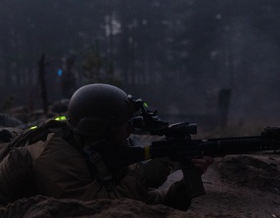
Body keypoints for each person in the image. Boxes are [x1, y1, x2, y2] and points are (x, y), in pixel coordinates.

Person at [0, 83, 213, 210]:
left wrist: (183, 188)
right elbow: (103, 208)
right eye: (125, 125)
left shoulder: (95, 148)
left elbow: (147, 201)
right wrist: (147, 172)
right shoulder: (56, 160)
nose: (131, 131)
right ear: (102, 130)